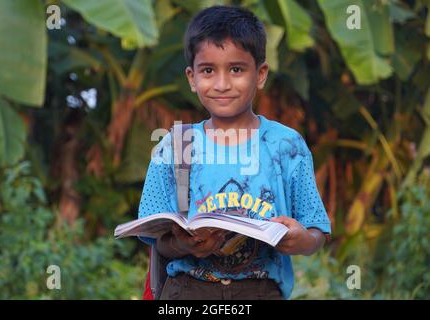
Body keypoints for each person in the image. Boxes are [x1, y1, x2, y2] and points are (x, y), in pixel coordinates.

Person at [138, 5, 331, 300]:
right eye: (207, 70)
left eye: (237, 69)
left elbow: (317, 230)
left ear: (261, 74)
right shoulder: (175, 146)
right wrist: (183, 245)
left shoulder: (286, 145)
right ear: (192, 78)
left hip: (261, 292)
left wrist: (301, 240)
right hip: (187, 292)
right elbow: (157, 241)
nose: (222, 84)